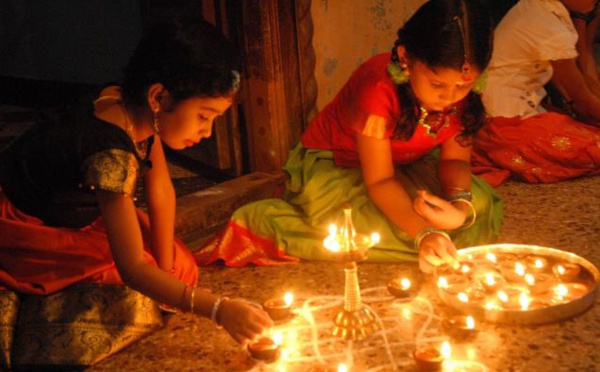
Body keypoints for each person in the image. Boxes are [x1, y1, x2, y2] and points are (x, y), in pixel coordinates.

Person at [0, 16, 273, 352]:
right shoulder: (109, 153)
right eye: (204, 116)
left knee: (180, 270)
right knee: (132, 296)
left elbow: (160, 190)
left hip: (79, 209)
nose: (207, 132)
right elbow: (132, 269)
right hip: (29, 228)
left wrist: (166, 271)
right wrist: (219, 309)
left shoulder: (133, 108)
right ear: (159, 97)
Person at [197, 0, 503, 274]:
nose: (449, 97)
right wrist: (425, 234)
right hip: (341, 167)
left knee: (482, 206)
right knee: (386, 234)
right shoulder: (377, 90)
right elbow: (381, 182)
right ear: (405, 58)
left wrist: (460, 208)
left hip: (408, 164)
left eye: (463, 86)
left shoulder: (461, 87)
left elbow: (455, 160)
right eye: (437, 84)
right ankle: (268, 224)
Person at [472, 0, 600, 186]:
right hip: (501, 123)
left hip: (505, 111)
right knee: (591, 148)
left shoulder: (539, 8)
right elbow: (582, 100)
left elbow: (581, 87)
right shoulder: (548, 27)